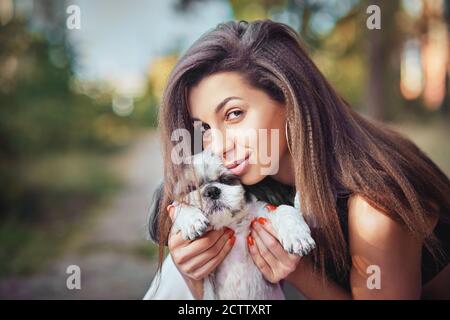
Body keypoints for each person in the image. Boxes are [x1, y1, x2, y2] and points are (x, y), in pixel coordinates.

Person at [145, 19, 450, 300]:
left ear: (289, 99)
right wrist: (195, 277)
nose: (219, 145)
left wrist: (299, 272)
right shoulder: (256, 180)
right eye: (205, 129)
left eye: (234, 114)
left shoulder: (373, 208)